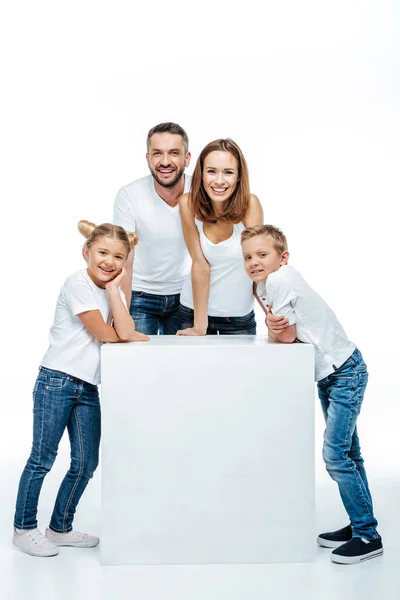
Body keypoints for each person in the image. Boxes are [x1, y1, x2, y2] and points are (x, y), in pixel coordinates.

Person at [241, 224, 383, 565]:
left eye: (262, 255)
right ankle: (359, 523)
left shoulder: (279, 280)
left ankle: (368, 535)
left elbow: (285, 336)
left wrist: (274, 325)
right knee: (350, 453)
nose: (254, 262)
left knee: (336, 455)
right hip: (332, 374)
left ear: (282, 257)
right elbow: (282, 329)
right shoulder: (270, 283)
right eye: (248, 257)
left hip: (344, 372)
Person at [13, 221, 149, 557]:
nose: (110, 262)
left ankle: (59, 528)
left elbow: (126, 327)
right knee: (42, 459)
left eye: (119, 257)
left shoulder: (108, 289)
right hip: (56, 381)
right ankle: (24, 527)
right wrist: (125, 332)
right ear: (86, 252)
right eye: (103, 253)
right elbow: (108, 333)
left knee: (86, 463)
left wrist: (116, 290)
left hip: (87, 386)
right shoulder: (77, 284)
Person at [177, 138, 263, 336]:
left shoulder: (251, 205)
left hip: (238, 319)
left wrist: (272, 313)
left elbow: (261, 267)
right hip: (192, 313)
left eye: (228, 172)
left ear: (239, 177)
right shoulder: (188, 203)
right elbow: (200, 264)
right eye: (212, 171)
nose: (219, 181)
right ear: (201, 173)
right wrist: (200, 327)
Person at [113, 122, 192, 335]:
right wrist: (122, 314)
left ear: (187, 158)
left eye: (174, 153)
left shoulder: (201, 192)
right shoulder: (130, 195)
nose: (165, 161)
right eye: (157, 153)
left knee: (186, 365)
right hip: (140, 295)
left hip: (186, 295)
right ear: (148, 158)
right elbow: (124, 258)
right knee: (136, 363)